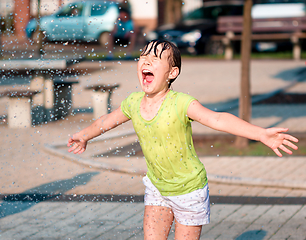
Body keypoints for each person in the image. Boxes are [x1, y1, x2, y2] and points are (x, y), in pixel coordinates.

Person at [67, 39, 299, 240]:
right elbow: (106, 121)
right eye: (143, 56)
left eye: (155, 58)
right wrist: (84, 136)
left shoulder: (181, 103)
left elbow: (218, 120)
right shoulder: (133, 102)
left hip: (189, 191)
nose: (146, 61)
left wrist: (260, 134)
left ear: (172, 73)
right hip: (157, 186)